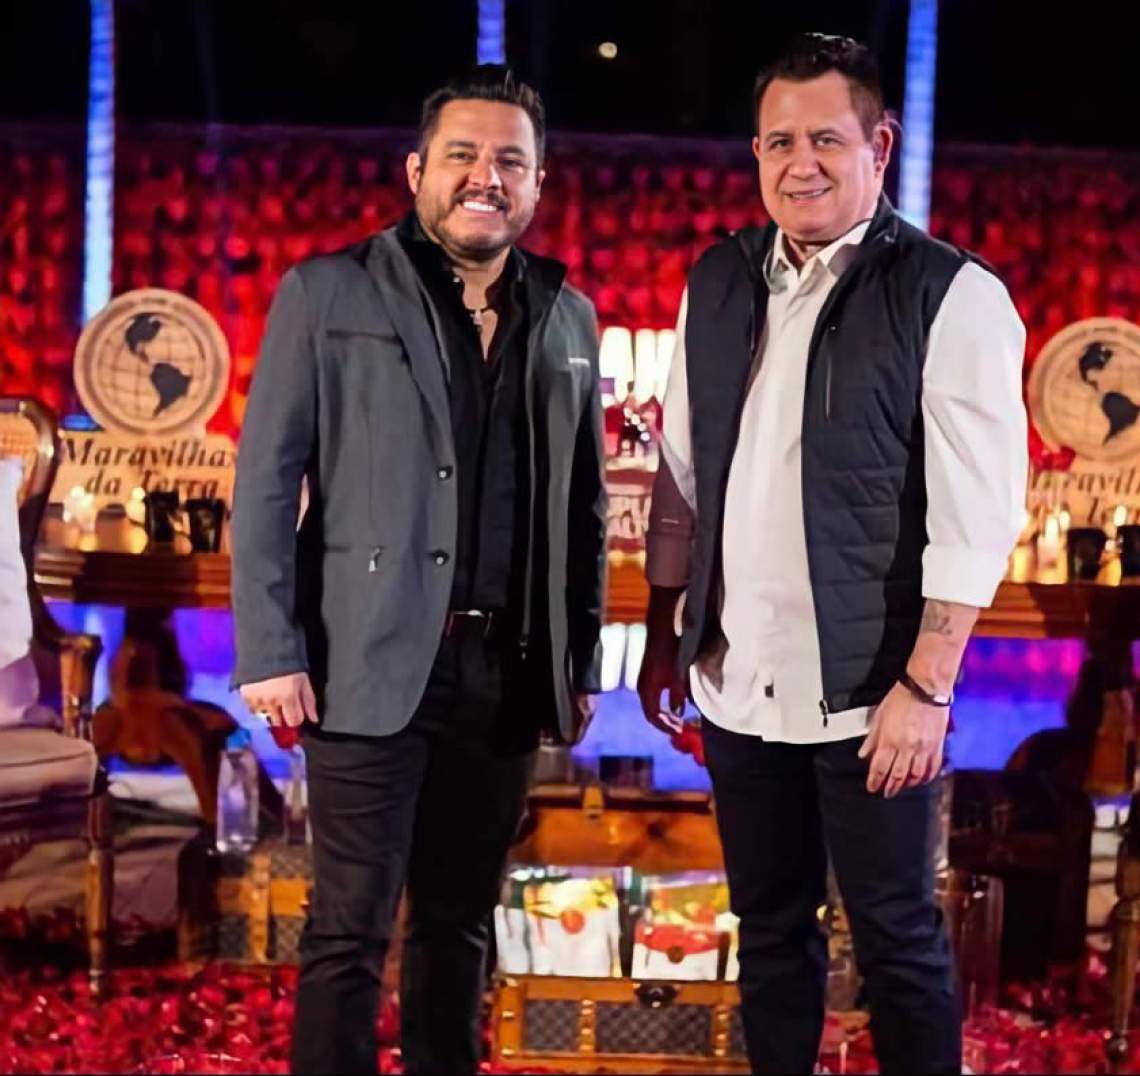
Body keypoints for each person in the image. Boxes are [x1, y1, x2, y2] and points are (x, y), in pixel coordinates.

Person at [638, 33, 1028, 1075]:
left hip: (872, 697)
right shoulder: (720, 277)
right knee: (769, 931)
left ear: (878, 145)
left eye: (824, 139)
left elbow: (979, 514)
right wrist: (665, 633)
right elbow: (683, 473)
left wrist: (926, 686)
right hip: (736, 679)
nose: (798, 163)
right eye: (778, 142)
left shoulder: (949, 293)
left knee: (896, 941)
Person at [230, 65, 606, 1075]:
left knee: (460, 923)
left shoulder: (567, 314)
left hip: (504, 674)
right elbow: (265, 481)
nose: (486, 177)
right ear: (416, 170)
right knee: (349, 928)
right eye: (462, 155)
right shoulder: (327, 292)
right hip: (363, 659)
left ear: (537, 183)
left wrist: (576, 658)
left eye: (510, 161)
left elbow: (581, 506)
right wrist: (269, 648)